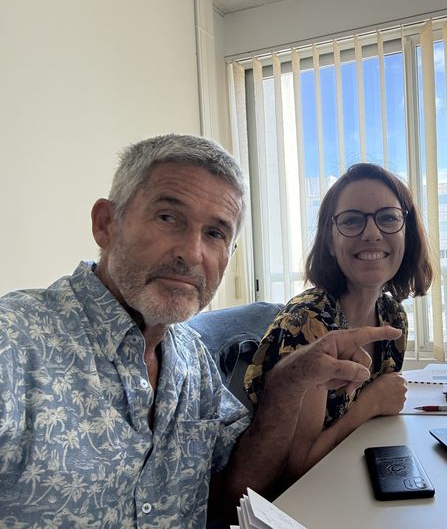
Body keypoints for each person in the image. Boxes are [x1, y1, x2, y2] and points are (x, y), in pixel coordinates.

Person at [0, 135, 401, 527]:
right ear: (106, 224)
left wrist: (287, 383)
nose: (192, 253)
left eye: (215, 233)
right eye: (168, 218)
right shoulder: (15, 341)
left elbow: (236, 490)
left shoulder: (193, 359)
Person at [244, 162, 433, 480]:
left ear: (407, 234)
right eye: (352, 220)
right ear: (330, 242)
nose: (371, 233)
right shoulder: (307, 323)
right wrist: (369, 405)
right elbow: (297, 469)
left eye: (388, 218)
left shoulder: (393, 316)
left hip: (352, 472)